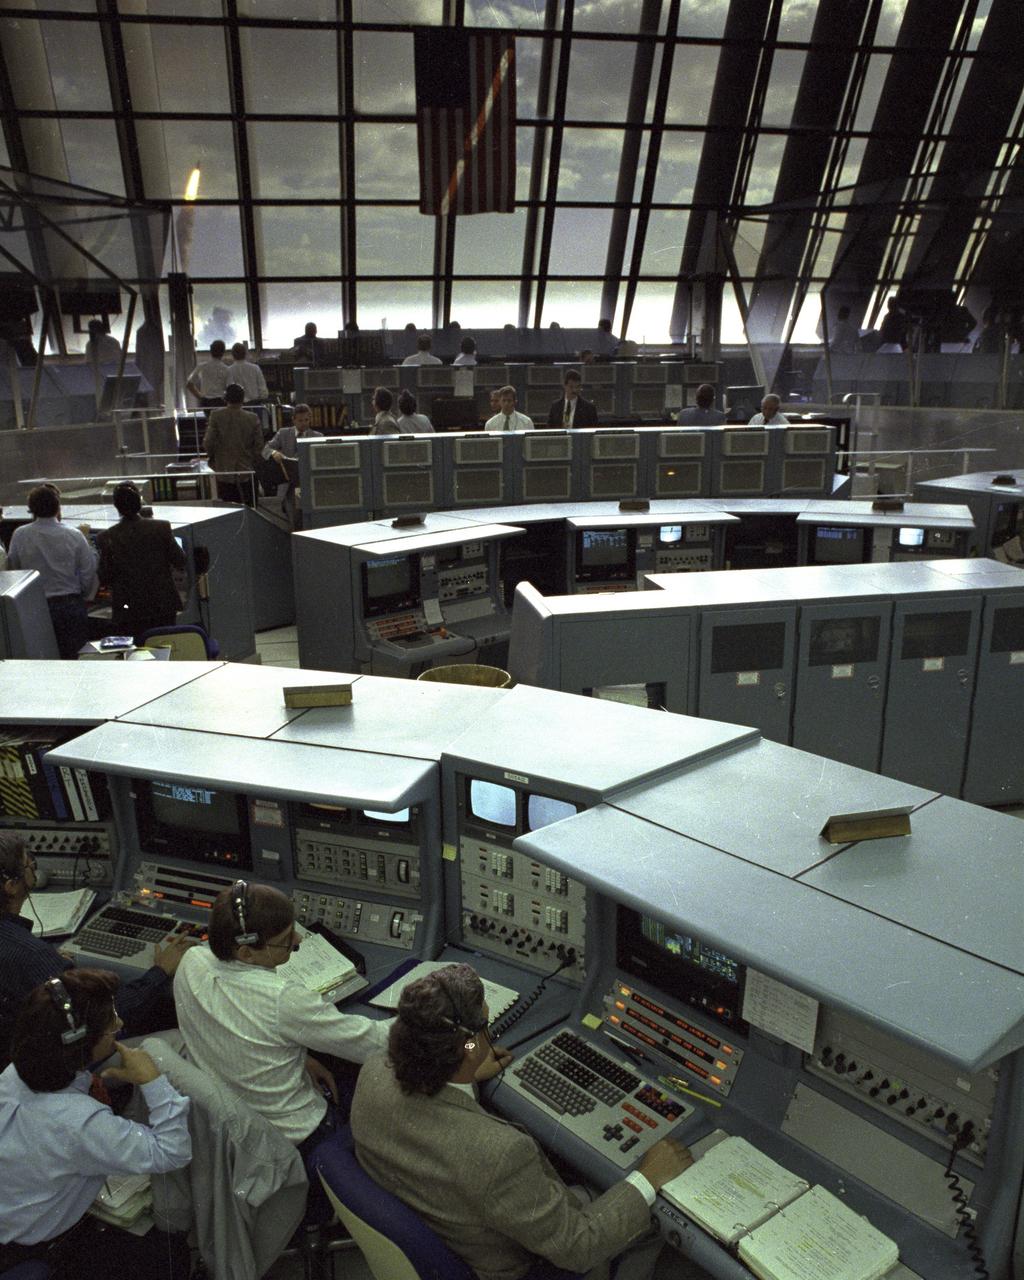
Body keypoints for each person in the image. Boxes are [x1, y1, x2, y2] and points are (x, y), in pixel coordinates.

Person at [351, 964, 693, 1280]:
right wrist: (648, 1178)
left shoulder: (372, 1073)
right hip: (515, 1264)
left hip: (445, 1217)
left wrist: (466, 1069)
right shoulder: (500, 1154)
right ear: (468, 1045)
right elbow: (579, 1245)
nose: (489, 1034)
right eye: (485, 1026)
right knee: (650, 1220)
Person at [173, 882, 389, 1199]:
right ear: (245, 951)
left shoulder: (191, 961)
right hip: (303, 1140)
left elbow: (240, 1032)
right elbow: (376, 1044)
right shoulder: (282, 999)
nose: (299, 941)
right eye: (286, 943)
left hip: (236, 1131)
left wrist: (300, 1056)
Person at [0, 970, 192, 1278]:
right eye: (110, 1026)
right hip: (31, 1247)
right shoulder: (81, 1125)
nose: (120, 1025)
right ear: (80, 1044)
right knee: (169, 1256)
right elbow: (172, 1151)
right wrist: (153, 1082)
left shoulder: (13, 1074)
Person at [0, 833, 191, 1061]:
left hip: (15, 1055)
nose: (32, 865)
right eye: (28, 863)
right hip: (60, 1063)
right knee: (184, 1042)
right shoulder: (32, 956)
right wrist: (160, 971)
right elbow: (112, 1016)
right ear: (11, 886)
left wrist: (50, 964)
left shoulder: (30, 954)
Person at [7, 483, 97, 659]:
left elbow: (13, 570)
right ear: (58, 506)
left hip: (35, 608)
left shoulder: (20, 535)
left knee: (43, 662)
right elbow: (88, 572)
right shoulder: (75, 535)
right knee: (76, 660)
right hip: (70, 606)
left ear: (31, 508)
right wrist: (83, 596)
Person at [95, 481, 187, 643]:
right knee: (165, 649)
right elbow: (180, 561)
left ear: (117, 507)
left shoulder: (106, 537)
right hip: (163, 606)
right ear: (140, 503)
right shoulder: (161, 527)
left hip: (128, 611)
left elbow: (104, 577)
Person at [203, 383, 263, 505]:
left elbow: (208, 442)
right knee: (250, 510)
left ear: (225, 398)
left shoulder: (216, 415)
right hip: (246, 470)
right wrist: (252, 461)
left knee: (228, 513)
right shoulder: (253, 417)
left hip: (223, 471)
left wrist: (213, 458)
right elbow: (259, 445)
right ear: (243, 399)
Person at [263, 403, 324, 521]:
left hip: (308, 483)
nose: (304, 423)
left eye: (306, 420)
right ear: (294, 420)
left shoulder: (318, 436)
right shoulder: (283, 433)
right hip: (287, 483)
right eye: (300, 420)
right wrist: (273, 453)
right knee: (289, 516)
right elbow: (266, 448)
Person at [186, 339, 231, 407]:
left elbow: (189, 384)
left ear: (211, 351)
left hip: (206, 402)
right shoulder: (226, 369)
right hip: (220, 401)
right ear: (223, 352)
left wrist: (200, 397)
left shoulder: (202, 366)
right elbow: (229, 388)